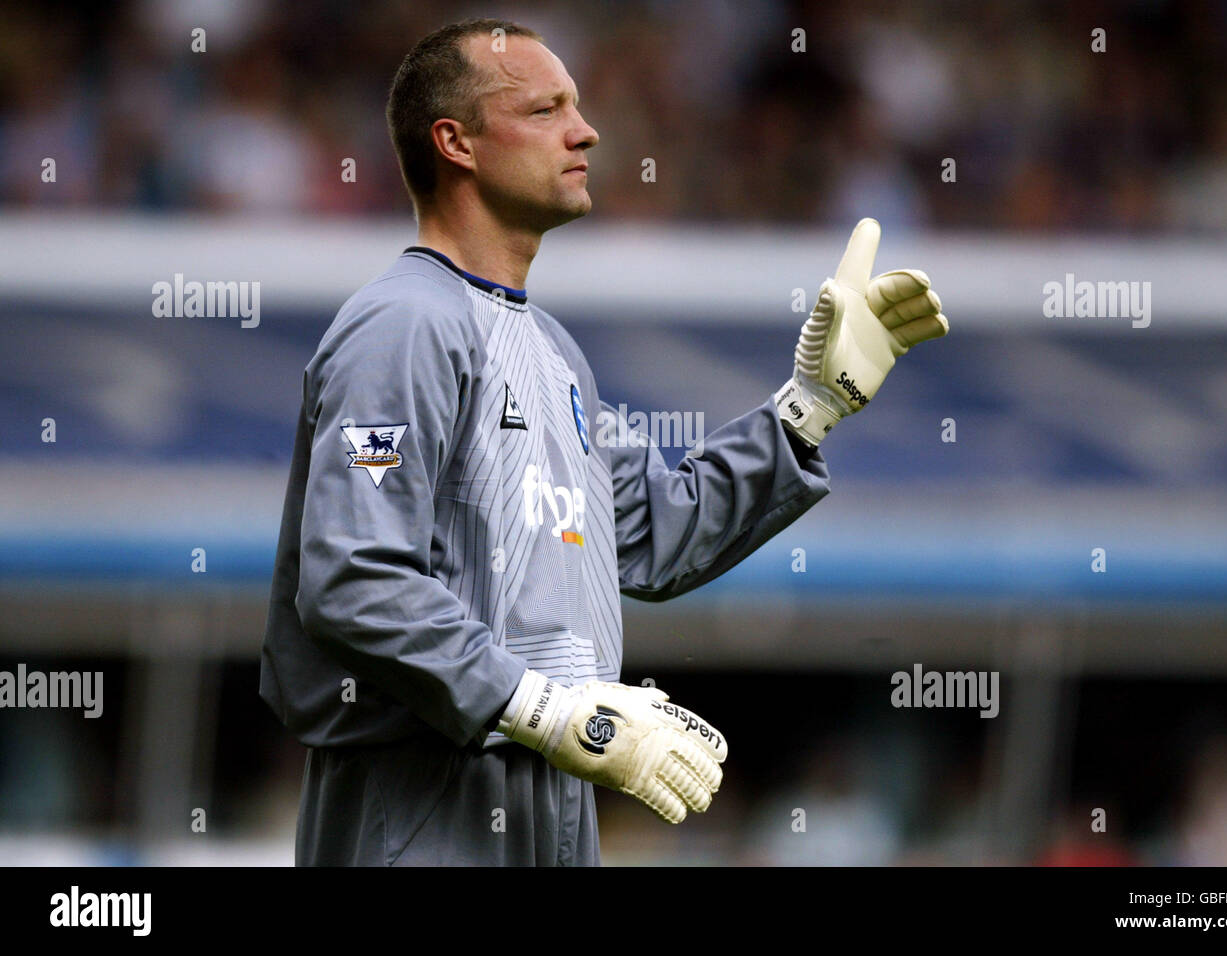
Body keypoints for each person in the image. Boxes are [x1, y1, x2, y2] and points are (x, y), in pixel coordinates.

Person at [260, 17, 948, 866]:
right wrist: (550, 712)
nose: (585, 131)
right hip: (423, 815)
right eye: (546, 109)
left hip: (553, 805)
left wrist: (808, 408)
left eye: (577, 107)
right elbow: (354, 579)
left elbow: (656, 533)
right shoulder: (402, 325)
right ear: (456, 143)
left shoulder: (554, 355)